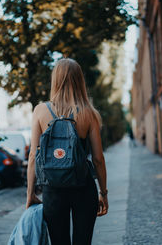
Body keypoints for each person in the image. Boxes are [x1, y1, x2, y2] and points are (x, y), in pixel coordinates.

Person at [26, 58, 108, 245]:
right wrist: (103, 193)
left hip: (53, 190)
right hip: (83, 186)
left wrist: (30, 193)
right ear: (80, 81)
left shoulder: (40, 111)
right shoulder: (89, 113)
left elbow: (33, 156)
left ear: (55, 80)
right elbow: (98, 159)